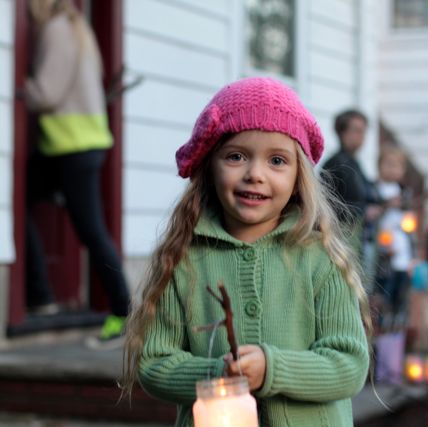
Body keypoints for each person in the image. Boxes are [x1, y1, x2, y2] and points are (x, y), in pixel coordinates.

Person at [122, 77, 370, 427]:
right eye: (236, 156)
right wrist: (219, 371)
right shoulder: (184, 259)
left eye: (277, 161)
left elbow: (349, 365)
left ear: (300, 174)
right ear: (210, 165)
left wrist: (273, 368)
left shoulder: (320, 259)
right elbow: (154, 363)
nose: (255, 174)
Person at [23, 0, 130, 345]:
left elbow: (46, 93)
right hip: (80, 146)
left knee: (91, 232)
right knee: (19, 205)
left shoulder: (55, 30)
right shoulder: (79, 28)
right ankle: (41, 296)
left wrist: (19, 86)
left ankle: (123, 314)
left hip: (70, 147)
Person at [322, 109, 381, 253]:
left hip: (361, 239)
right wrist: (364, 211)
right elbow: (328, 205)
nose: (361, 136)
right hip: (342, 240)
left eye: (363, 131)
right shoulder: (336, 163)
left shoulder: (355, 163)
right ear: (342, 132)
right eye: (356, 130)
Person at [375, 145, 412, 323]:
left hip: (401, 250)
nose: (392, 169)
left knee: (400, 295)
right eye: (388, 164)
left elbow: (408, 223)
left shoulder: (404, 192)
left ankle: (395, 332)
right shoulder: (375, 190)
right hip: (383, 252)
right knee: (383, 294)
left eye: (397, 165)